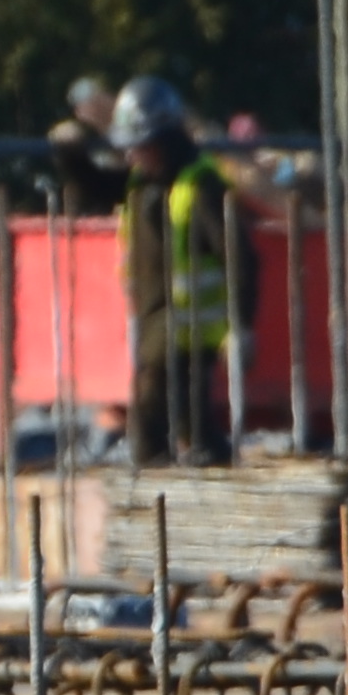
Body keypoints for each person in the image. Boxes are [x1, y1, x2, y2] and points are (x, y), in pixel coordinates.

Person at [114, 76, 240, 466]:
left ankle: (160, 476)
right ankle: (191, 469)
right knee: (182, 416)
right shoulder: (144, 185)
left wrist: (242, 327)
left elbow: (240, 257)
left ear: (165, 141)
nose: (134, 156)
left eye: (141, 146)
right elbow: (90, 186)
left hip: (191, 327)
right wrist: (70, 154)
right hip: (157, 320)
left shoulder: (200, 185)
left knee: (158, 410)